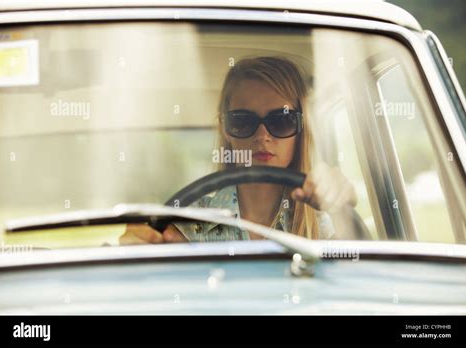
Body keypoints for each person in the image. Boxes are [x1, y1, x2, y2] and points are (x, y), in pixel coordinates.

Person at [119, 56, 357, 245]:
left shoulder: (320, 222)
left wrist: (342, 205)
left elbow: (356, 283)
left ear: (300, 129)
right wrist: (134, 254)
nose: (262, 137)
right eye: (242, 121)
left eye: (281, 121)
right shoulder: (186, 223)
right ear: (226, 129)